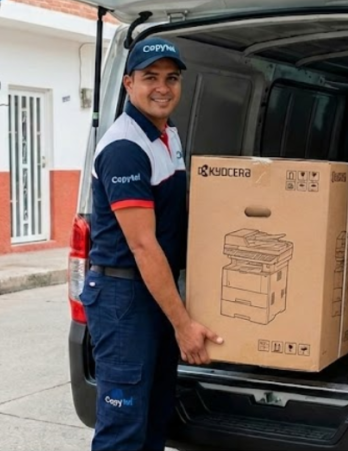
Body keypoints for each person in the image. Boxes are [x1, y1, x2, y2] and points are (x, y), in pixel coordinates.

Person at [80, 36, 223, 451]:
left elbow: (175, 213)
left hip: (154, 291)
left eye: (171, 78)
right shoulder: (126, 148)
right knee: (123, 426)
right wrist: (184, 326)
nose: (163, 87)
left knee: (155, 415)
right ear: (128, 83)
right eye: (150, 78)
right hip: (123, 297)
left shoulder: (167, 133)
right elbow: (143, 246)